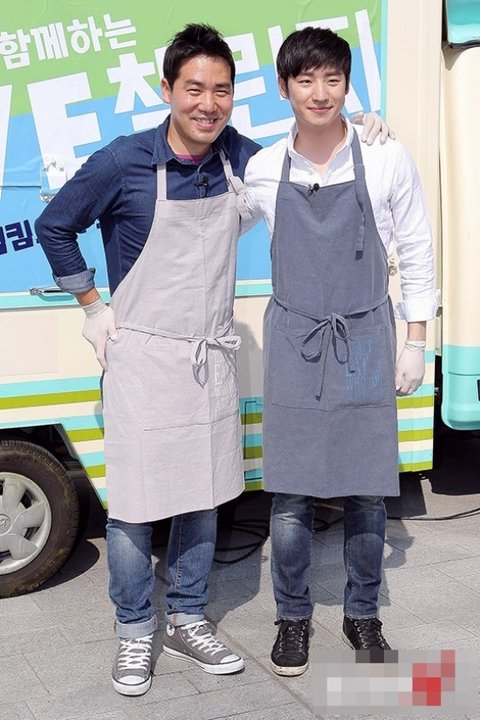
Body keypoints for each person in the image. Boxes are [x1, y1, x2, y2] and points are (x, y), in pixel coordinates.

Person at [35, 23, 390, 696]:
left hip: (209, 353)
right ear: (167, 89)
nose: (208, 103)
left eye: (221, 90)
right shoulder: (123, 162)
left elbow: (309, 163)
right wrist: (91, 305)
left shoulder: (242, 159)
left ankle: (188, 618)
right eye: (194, 88)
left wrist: (362, 137)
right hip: (142, 355)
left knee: (201, 497)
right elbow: (56, 225)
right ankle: (135, 629)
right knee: (135, 506)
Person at [244, 27, 438, 677]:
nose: (319, 92)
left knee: (366, 489)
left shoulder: (385, 156)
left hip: (365, 337)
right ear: (284, 88)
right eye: (305, 79)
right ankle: (292, 618)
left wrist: (417, 341)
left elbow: (417, 249)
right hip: (295, 339)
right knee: (291, 492)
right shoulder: (263, 168)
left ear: (348, 85)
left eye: (332, 78)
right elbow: (209, 220)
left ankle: (363, 612)